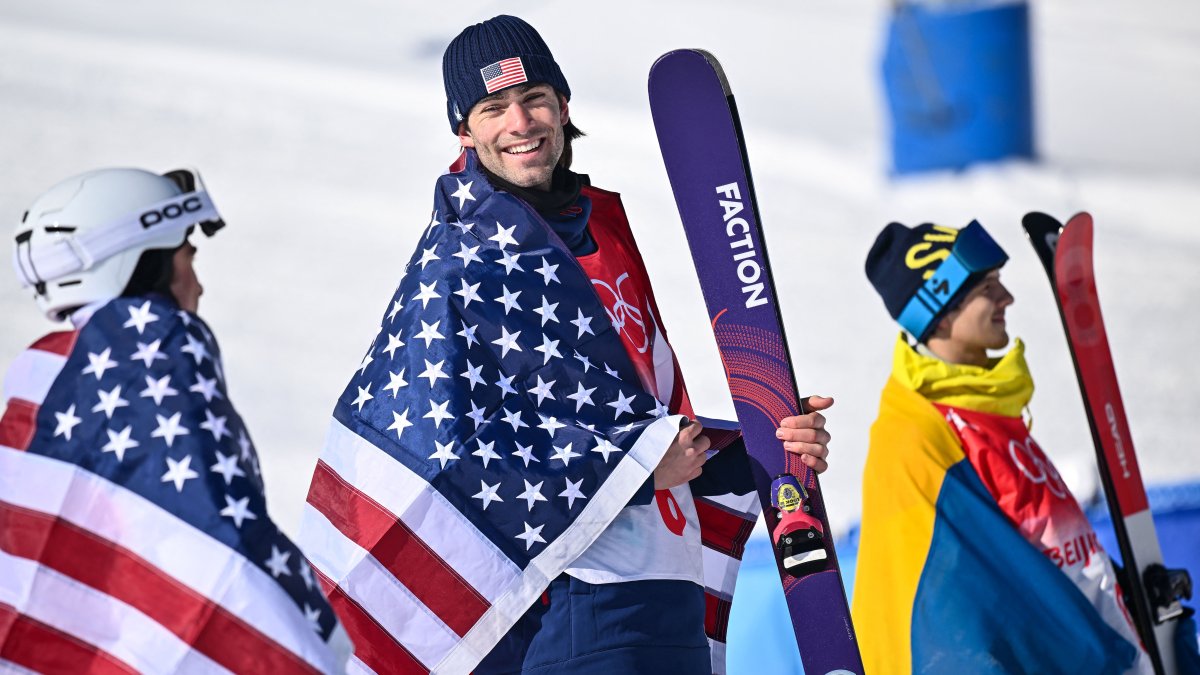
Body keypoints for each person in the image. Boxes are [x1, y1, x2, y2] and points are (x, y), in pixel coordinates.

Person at [298, 15, 833, 675]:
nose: (520, 121)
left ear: (564, 106)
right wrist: (632, 472)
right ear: (463, 130)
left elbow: (637, 432)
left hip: (665, 597)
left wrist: (761, 445)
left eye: (535, 99)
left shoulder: (596, 235)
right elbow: (453, 455)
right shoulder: (462, 262)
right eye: (494, 108)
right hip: (573, 608)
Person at [2, 168, 349, 673]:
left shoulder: (38, 373)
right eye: (187, 257)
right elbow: (213, 542)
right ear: (138, 263)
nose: (199, 284)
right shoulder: (154, 350)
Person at [852, 219, 1169, 673]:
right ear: (940, 309)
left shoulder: (987, 406)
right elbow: (944, 614)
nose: (1008, 299)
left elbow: (1045, 547)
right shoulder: (916, 436)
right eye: (987, 288)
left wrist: (1127, 598)